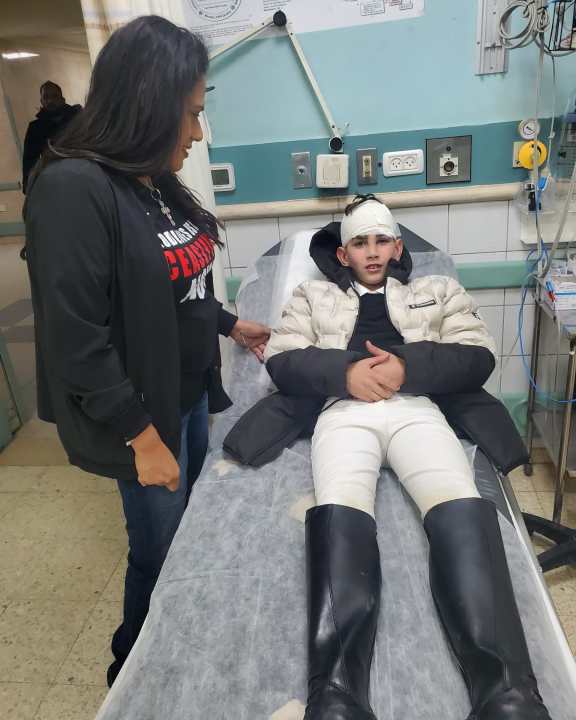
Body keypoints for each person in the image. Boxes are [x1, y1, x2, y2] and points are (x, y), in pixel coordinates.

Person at [23, 16, 269, 688]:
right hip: (139, 414)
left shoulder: (149, 179)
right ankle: (133, 671)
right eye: (190, 116)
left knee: (185, 533)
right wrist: (142, 436)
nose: (196, 133)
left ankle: (176, 638)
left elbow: (174, 282)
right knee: (158, 549)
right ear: (148, 105)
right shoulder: (74, 189)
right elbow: (76, 339)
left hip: (184, 393)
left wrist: (227, 323)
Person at [262, 196, 552, 719]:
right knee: (341, 507)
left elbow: (476, 354)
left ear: (397, 247)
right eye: (359, 242)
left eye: (380, 241)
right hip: (344, 410)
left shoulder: (435, 290)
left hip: (417, 407)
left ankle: (507, 693)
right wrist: (345, 374)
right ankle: (337, 697)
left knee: (457, 502)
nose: (371, 252)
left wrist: (406, 369)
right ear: (344, 252)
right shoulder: (312, 296)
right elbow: (283, 360)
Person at [22, 81, 81, 193]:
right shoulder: (35, 128)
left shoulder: (77, 119)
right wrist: (28, 185)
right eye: (46, 97)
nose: (50, 101)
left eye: (54, 96)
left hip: (82, 173)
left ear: (62, 99)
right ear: (41, 101)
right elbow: (29, 158)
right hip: (55, 180)